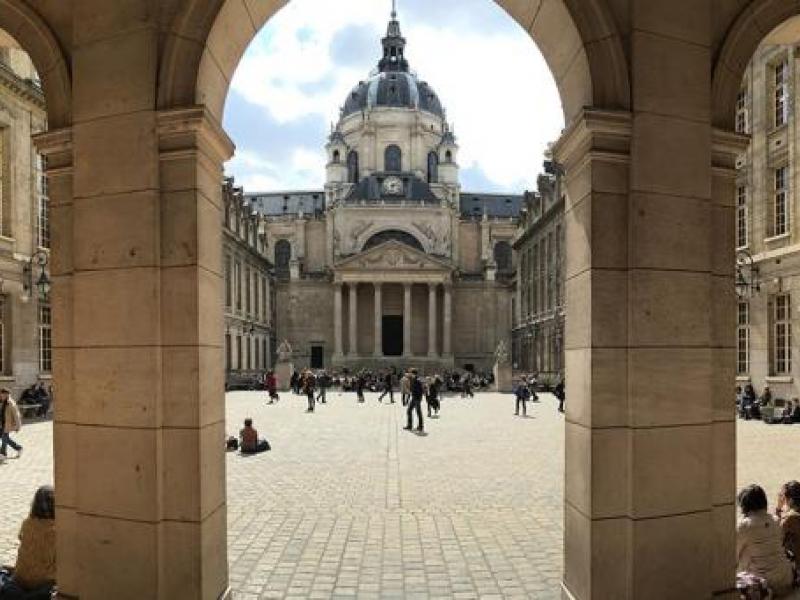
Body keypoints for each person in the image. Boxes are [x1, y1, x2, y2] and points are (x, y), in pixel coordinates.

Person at [736, 484, 794, 597]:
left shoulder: (743, 526)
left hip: (763, 585)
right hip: (786, 579)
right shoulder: (776, 520)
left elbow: (733, 557)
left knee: (743, 549)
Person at [0, 485, 56, 600]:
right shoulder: (59, 529)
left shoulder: (27, 524)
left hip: (19, 579)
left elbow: (22, 538)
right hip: (43, 584)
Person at [776, 480, 800, 566]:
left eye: (782, 496)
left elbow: (777, 537)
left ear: (790, 500)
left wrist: (779, 508)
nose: (781, 498)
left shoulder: (790, 518)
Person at [0, 388, 22, 461]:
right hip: (2, 424)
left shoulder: (11, 403)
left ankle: (3, 454)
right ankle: (19, 448)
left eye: (2, 394)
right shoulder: (2, 401)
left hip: (7, 424)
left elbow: (17, 415)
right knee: (5, 439)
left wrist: (18, 426)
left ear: (6, 394)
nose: (1, 396)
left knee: (4, 438)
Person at [404, 369, 424, 433]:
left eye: (410, 373)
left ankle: (420, 426)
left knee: (418, 412)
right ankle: (410, 425)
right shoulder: (413, 379)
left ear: (413, 374)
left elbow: (421, 391)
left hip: (417, 398)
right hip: (414, 398)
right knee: (409, 411)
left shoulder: (418, 380)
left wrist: (418, 398)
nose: (409, 374)